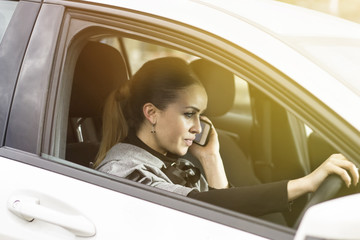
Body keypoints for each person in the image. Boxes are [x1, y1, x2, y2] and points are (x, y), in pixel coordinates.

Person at [93, 57, 359, 217]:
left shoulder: (173, 158)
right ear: (152, 113)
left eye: (201, 115)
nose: (198, 127)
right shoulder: (125, 171)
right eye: (189, 114)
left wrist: (211, 159)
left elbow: (223, 216)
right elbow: (200, 206)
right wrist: (306, 183)